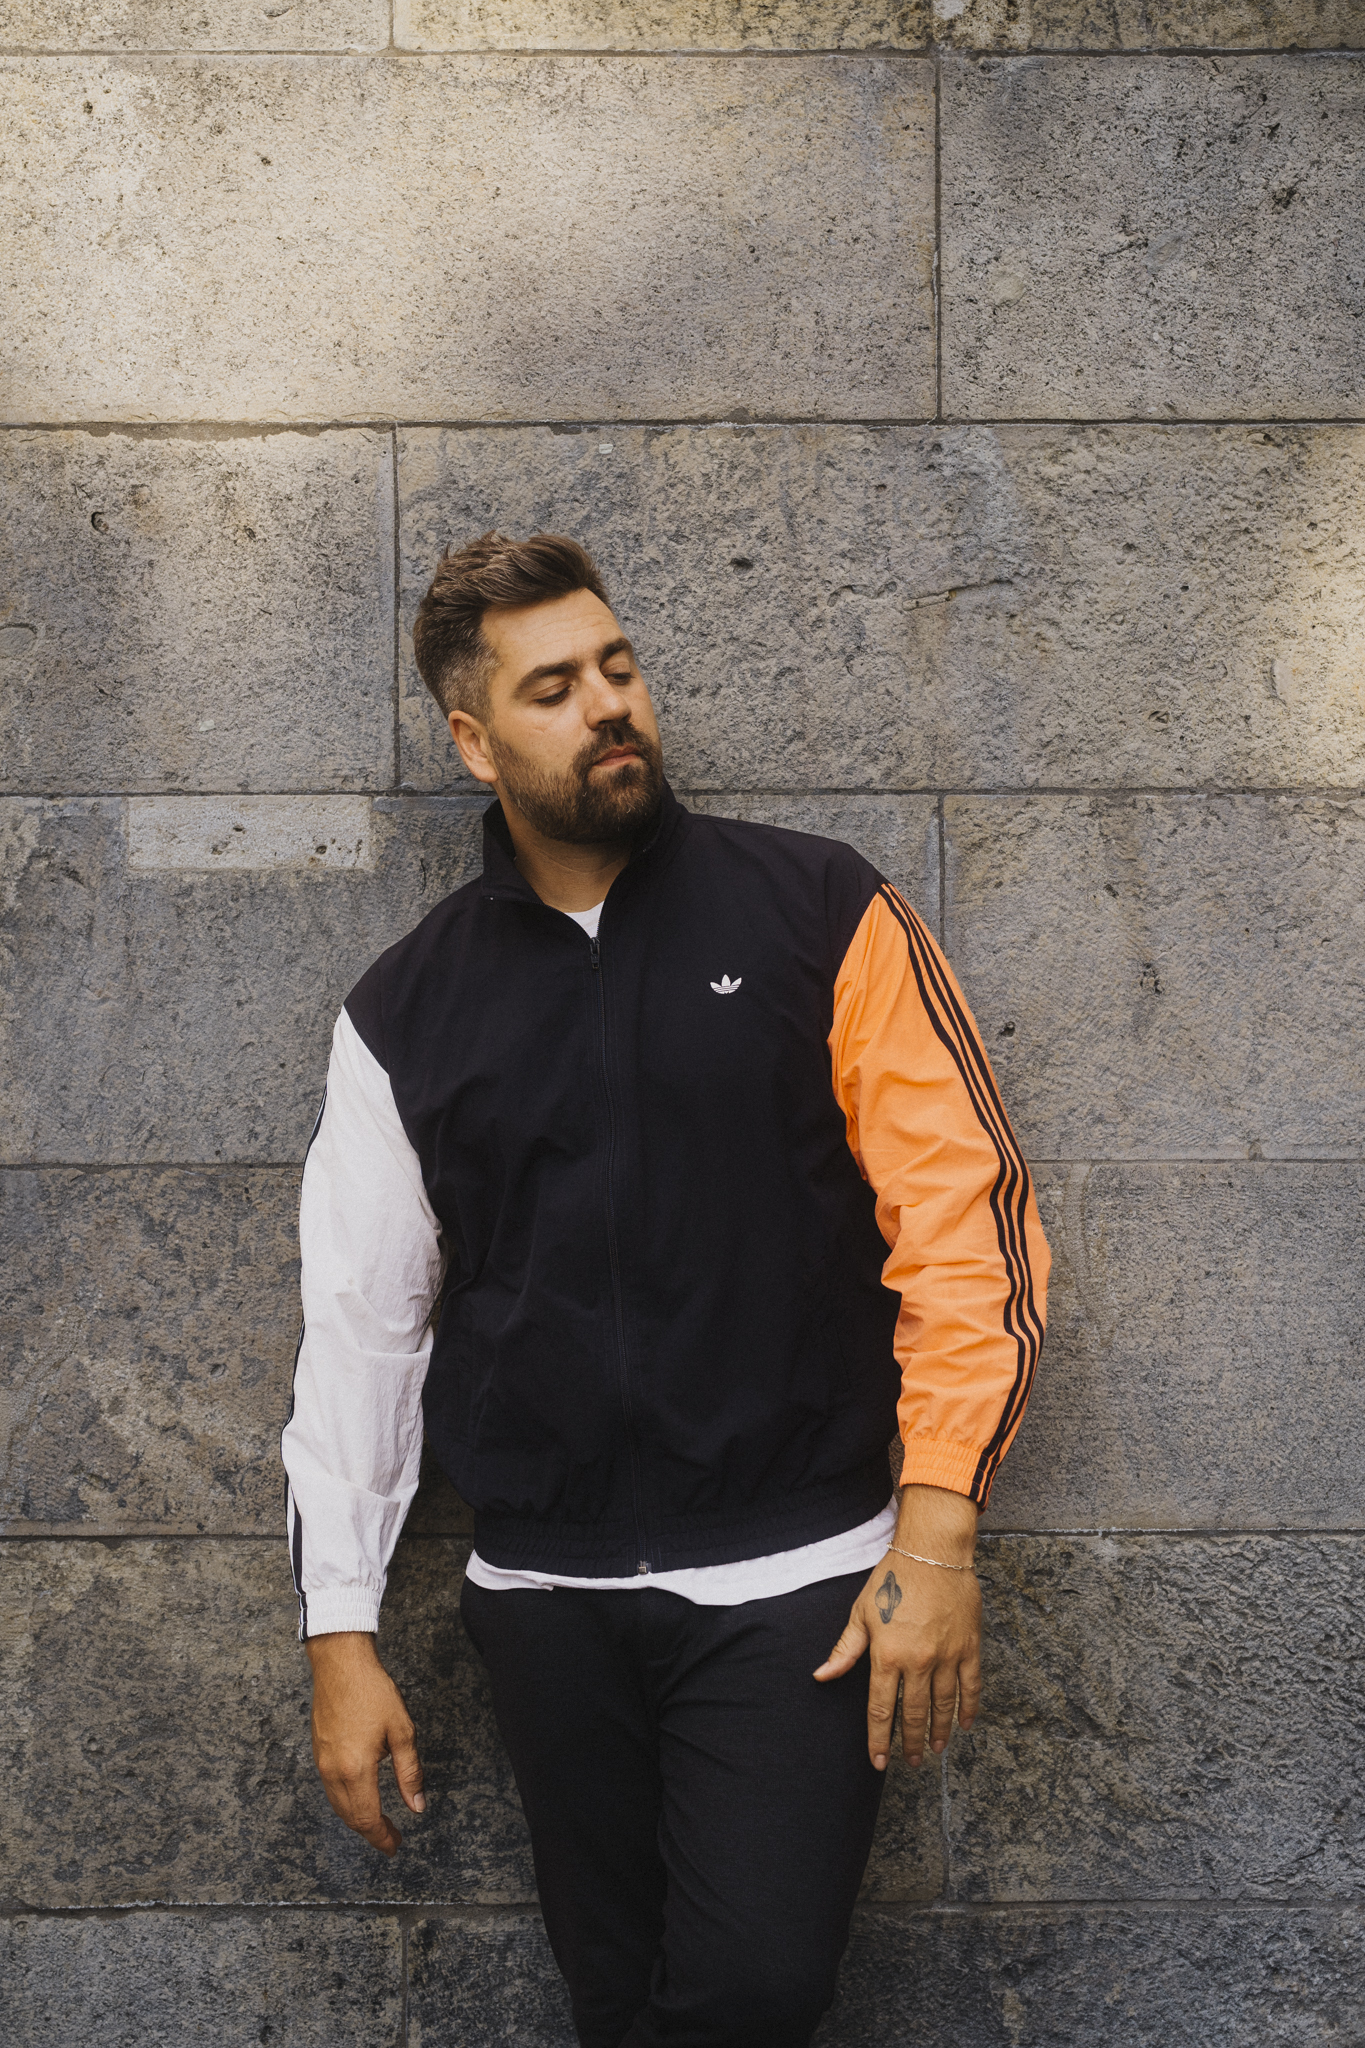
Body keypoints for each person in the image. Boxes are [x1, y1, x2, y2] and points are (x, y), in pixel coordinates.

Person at [281, 531, 1049, 2047]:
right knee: (618, 2008)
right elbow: (362, 1331)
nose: (607, 706)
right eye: (553, 688)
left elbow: (967, 1230)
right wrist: (339, 1635)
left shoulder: (819, 911)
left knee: (751, 1991)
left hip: (799, 1584)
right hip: (545, 1606)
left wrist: (937, 1532)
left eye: (617, 667)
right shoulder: (405, 1008)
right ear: (474, 741)